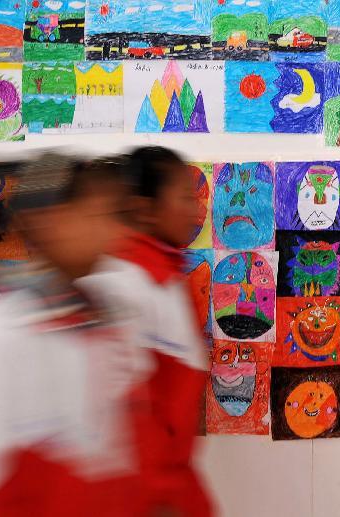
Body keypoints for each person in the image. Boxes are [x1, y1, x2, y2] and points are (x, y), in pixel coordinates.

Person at [0, 154, 154, 517]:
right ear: (50, 221)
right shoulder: (2, 332)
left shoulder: (106, 317)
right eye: (96, 214)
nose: (114, 232)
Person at [81, 146, 213, 517]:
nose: (194, 210)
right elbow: (119, 419)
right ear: (144, 208)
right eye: (184, 198)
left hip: (172, 491)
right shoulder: (119, 285)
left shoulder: (167, 278)